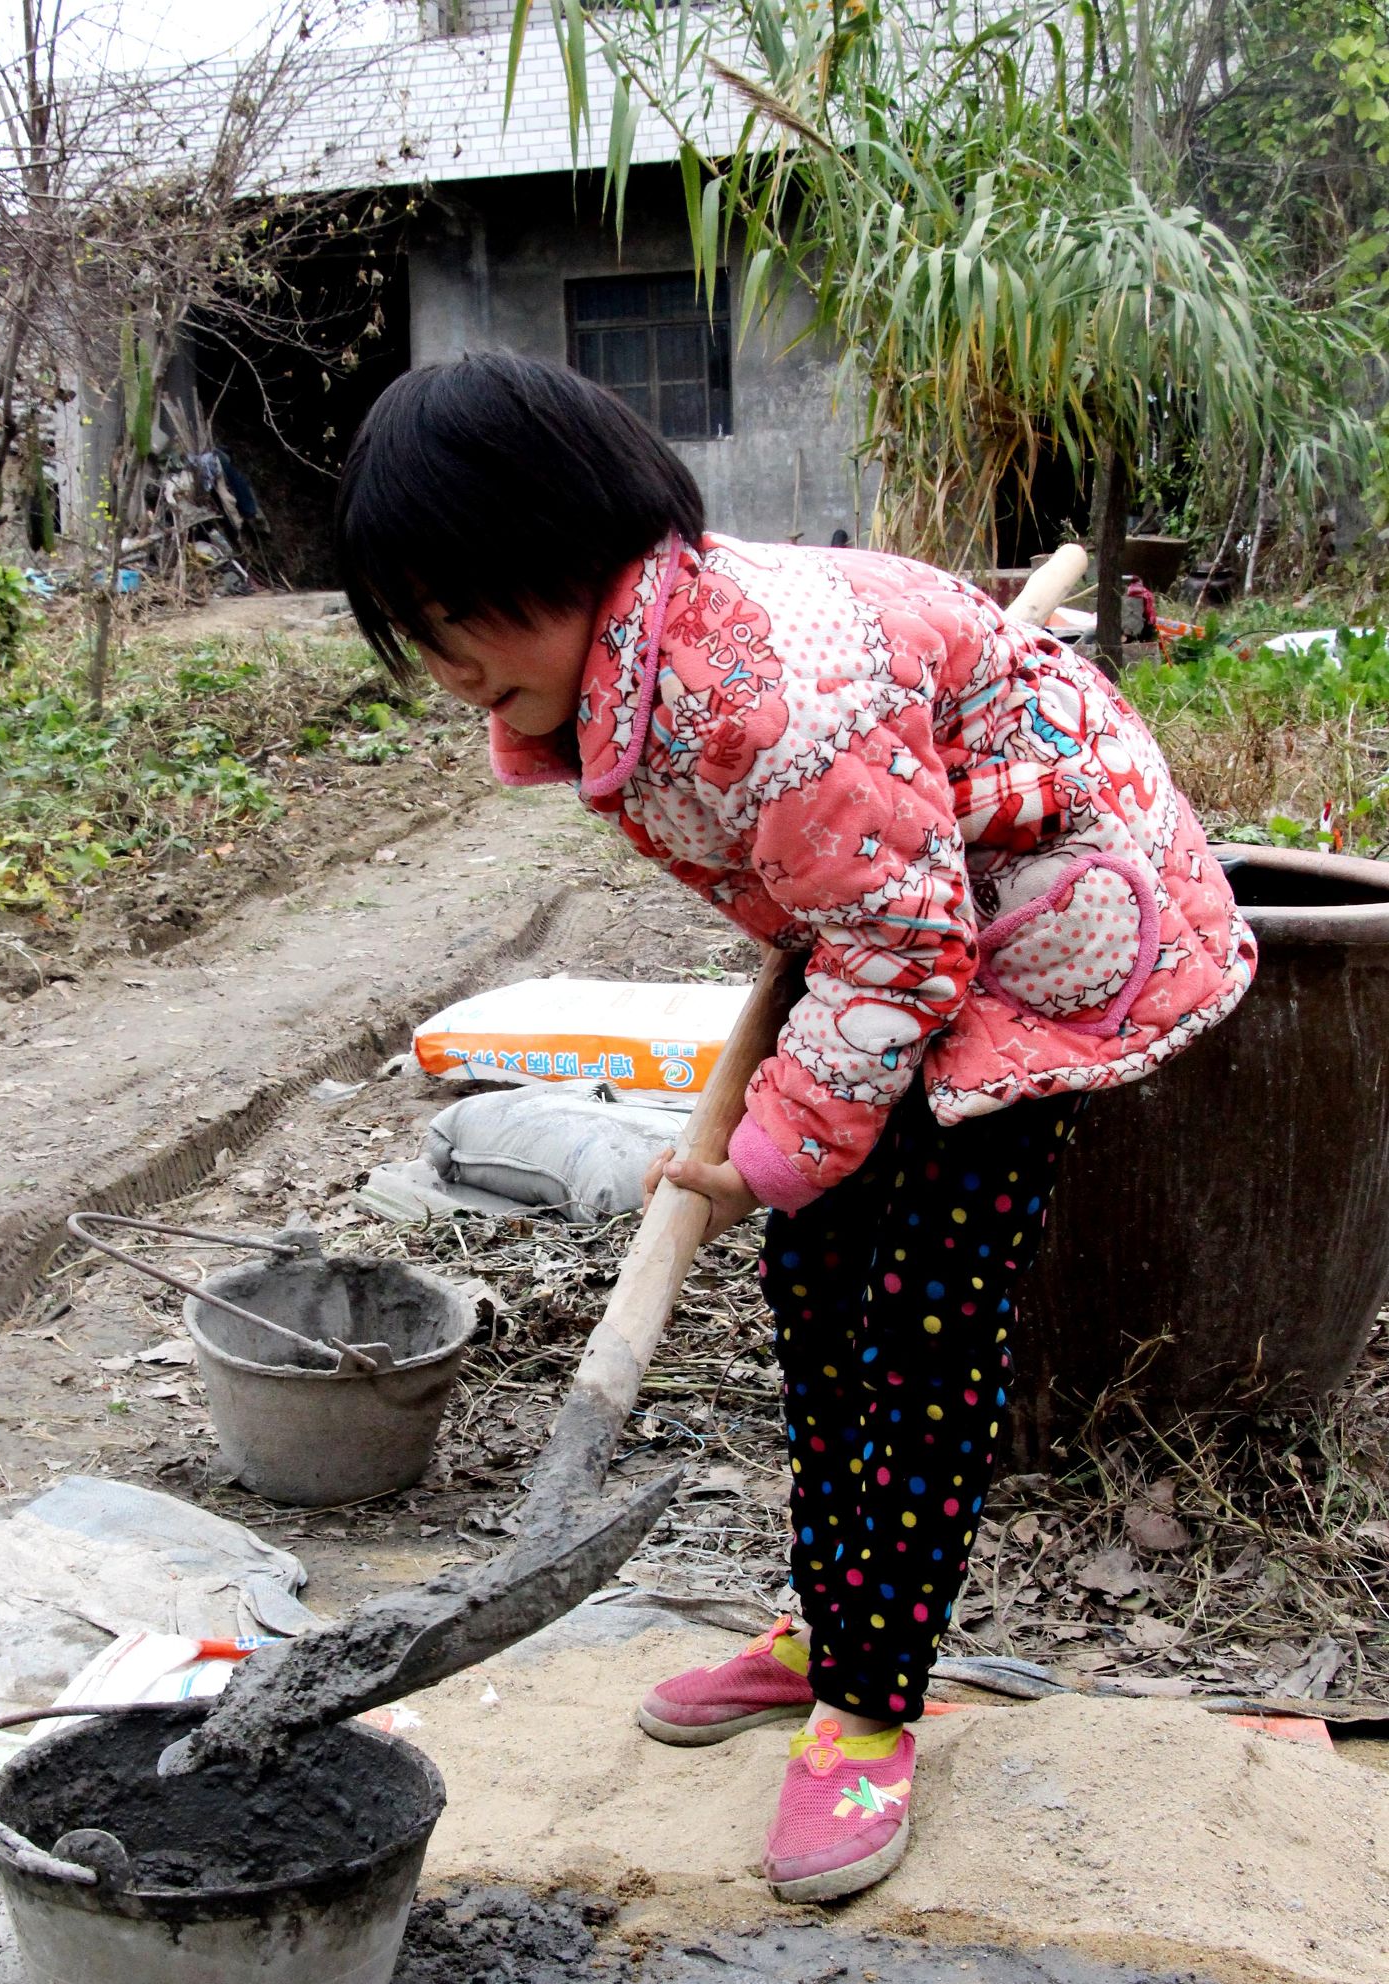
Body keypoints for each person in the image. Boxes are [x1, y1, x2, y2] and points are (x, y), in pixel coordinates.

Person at [335, 353, 1255, 1904]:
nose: (439, 665)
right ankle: (833, 1613)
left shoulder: (769, 697)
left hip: (1043, 937)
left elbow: (904, 939)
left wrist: (773, 1146)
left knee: (916, 1338)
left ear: (568, 556)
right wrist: (803, 1144)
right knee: (820, 1290)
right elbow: (851, 903)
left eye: (456, 617)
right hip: (906, 933)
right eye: (416, 633)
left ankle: (871, 1698)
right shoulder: (642, 670)